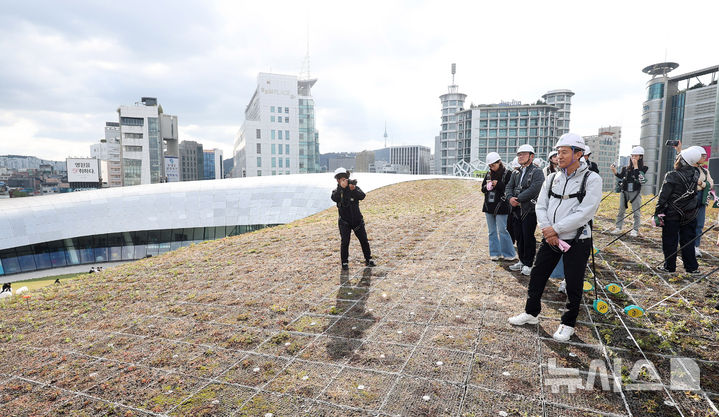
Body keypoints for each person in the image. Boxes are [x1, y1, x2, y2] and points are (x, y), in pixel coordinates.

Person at [508, 133, 602, 342]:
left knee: (573, 283)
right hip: (550, 238)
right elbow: (541, 205)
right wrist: (547, 229)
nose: (559, 156)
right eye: (558, 152)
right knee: (538, 275)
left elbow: (585, 212)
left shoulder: (592, 179)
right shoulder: (552, 178)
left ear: (578, 154)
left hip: (577, 239)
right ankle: (531, 313)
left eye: (564, 152)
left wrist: (556, 229)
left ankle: (567, 323)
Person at [654, 147, 702, 274]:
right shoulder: (696, 173)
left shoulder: (672, 175)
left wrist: (657, 213)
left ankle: (669, 267)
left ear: (682, 160)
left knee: (670, 241)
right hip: (690, 214)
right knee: (688, 241)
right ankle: (692, 268)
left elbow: (663, 197)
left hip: (672, 214)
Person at [506, 144, 545, 276]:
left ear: (531, 156)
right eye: (519, 154)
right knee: (519, 236)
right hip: (516, 210)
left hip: (529, 210)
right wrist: (510, 198)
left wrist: (518, 199)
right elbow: (509, 187)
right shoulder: (516, 172)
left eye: (523, 154)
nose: (520, 156)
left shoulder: (537, 172)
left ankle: (528, 263)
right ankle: (522, 260)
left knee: (528, 237)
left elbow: (535, 188)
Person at [331, 167, 375, 270]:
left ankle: (368, 259)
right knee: (345, 242)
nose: (344, 180)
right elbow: (334, 198)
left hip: (357, 220)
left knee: (364, 240)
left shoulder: (353, 187)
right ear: (337, 180)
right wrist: (341, 188)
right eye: (341, 179)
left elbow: (362, 196)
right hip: (344, 221)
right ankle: (344, 262)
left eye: (345, 178)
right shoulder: (337, 191)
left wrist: (353, 189)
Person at [481, 152, 517, 261]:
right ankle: (495, 253)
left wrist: (498, 184)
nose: (492, 167)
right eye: (490, 166)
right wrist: (487, 186)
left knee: (503, 230)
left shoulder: (508, 174)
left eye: (493, 165)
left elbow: (510, 189)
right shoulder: (488, 174)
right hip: (489, 206)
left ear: (499, 162)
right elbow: (482, 189)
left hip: (502, 207)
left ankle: (509, 254)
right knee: (491, 231)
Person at [611, 146, 648, 237]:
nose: (634, 157)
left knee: (636, 211)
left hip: (635, 191)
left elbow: (640, 178)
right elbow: (621, 176)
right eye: (632, 156)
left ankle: (635, 230)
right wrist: (614, 171)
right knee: (621, 210)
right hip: (624, 191)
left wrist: (635, 166)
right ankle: (618, 227)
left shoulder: (644, 168)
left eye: (636, 156)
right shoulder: (626, 168)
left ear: (640, 157)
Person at [688, 146, 713, 258]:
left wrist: (701, 184)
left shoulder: (705, 171)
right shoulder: (687, 169)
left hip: (700, 198)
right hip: (689, 198)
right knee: (685, 223)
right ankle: (684, 245)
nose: (704, 158)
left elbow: (710, 183)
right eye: (702, 156)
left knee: (699, 223)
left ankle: (696, 247)